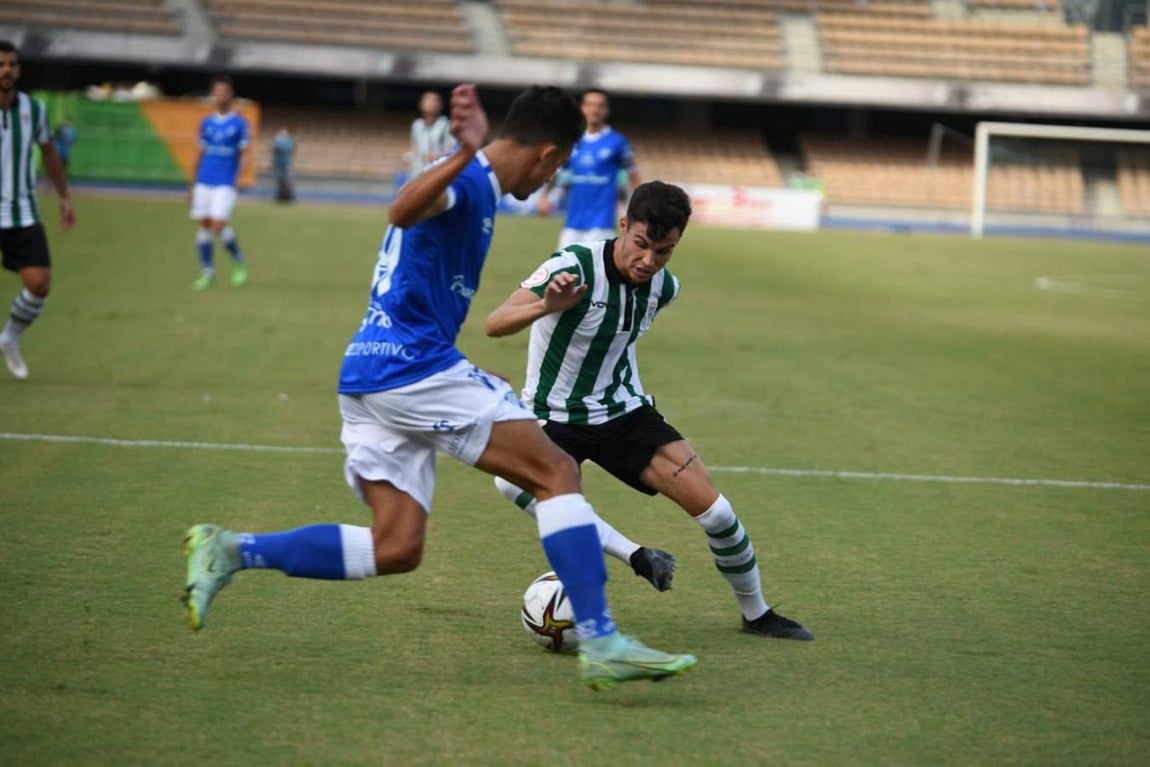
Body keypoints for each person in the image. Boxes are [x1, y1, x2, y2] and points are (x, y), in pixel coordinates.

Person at [181, 85, 697, 691]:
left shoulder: (480, 190)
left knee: (397, 546)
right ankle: (603, 638)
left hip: (375, 373)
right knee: (557, 471)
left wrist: (468, 373)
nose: (554, 180)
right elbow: (402, 210)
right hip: (411, 370)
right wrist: (464, 153)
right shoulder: (471, 179)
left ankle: (231, 550)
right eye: (558, 166)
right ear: (547, 152)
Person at [486, 181, 814, 641]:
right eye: (641, 245)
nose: (648, 261)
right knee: (509, 482)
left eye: (663, 251)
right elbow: (494, 323)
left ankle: (757, 614)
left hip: (623, 414)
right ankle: (633, 554)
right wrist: (546, 305)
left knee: (718, 514)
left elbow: (618, 339)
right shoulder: (573, 264)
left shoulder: (665, 287)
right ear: (624, 226)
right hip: (553, 417)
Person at [0, 40, 75, 381]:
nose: (6, 70)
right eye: (1, 64)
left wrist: (64, 198)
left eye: (12, 64)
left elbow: (48, 153)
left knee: (40, 282)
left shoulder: (35, 110)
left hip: (22, 210)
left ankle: (9, 338)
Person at [538, 89, 639, 249]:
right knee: (563, 269)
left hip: (602, 223)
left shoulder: (618, 142)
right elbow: (556, 170)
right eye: (590, 104)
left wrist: (637, 207)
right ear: (582, 108)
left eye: (600, 106)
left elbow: (633, 174)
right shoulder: (572, 140)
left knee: (597, 271)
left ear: (606, 110)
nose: (595, 109)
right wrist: (544, 197)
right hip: (572, 222)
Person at [190, 75, 250, 290]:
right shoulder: (206, 123)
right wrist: (193, 182)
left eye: (224, 92)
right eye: (217, 92)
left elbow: (245, 153)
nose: (220, 95)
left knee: (218, 224)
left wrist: (241, 176)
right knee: (204, 226)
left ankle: (239, 261)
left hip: (226, 181)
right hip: (204, 179)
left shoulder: (240, 123)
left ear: (230, 94)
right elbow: (200, 152)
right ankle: (208, 272)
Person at [407, 90, 452, 177]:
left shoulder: (446, 125)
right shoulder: (417, 125)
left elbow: (452, 151)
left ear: (441, 105)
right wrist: (409, 157)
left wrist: (439, 157)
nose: (430, 103)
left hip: (437, 174)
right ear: (421, 104)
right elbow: (414, 147)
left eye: (434, 101)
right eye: (427, 100)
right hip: (417, 174)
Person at [271, 126, 295, 203]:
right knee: (279, 181)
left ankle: (288, 196)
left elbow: (289, 149)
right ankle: (279, 196)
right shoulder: (277, 140)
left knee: (287, 181)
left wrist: (279, 147)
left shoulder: (289, 140)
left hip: (286, 163)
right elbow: (274, 149)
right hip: (278, 163)